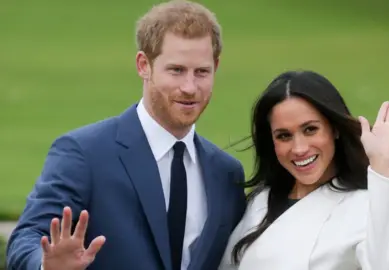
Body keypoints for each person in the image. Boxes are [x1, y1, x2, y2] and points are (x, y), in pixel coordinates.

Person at [6, 1, 247, 270]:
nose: (189, 87)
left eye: (201, 72)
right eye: (176, 70)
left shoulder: (227, 174)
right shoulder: (84, 153)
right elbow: (25, 240)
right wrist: (45, 265)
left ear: (216, 66)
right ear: (144, 65)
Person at [218, 70, 389, 270]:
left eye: (310, 129)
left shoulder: (365, 205)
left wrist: (382, 165)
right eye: (284, 136)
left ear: (334, 128)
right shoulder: (261, 200)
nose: (299, 148)